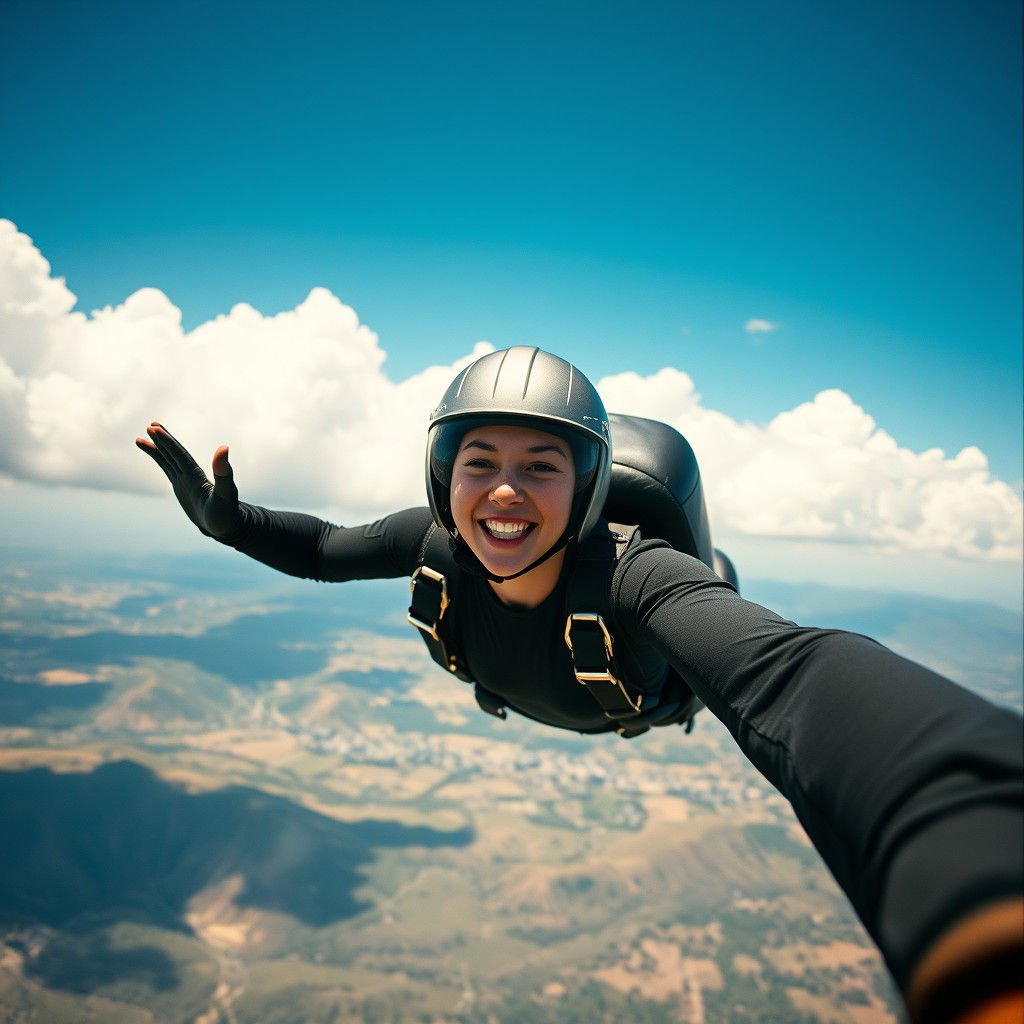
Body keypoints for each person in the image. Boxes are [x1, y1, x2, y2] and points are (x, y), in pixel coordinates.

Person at [138, 346, 1022, 1024]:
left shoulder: (638, 579)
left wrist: (973, 852)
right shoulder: (434, 544)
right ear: (444, 477)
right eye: (478, 461)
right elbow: (328, 548)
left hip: (639, 700)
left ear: (589, 489)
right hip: (540, 692)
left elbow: (796, 680)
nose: (504, 492)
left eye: (542, 466)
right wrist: (235, 525)